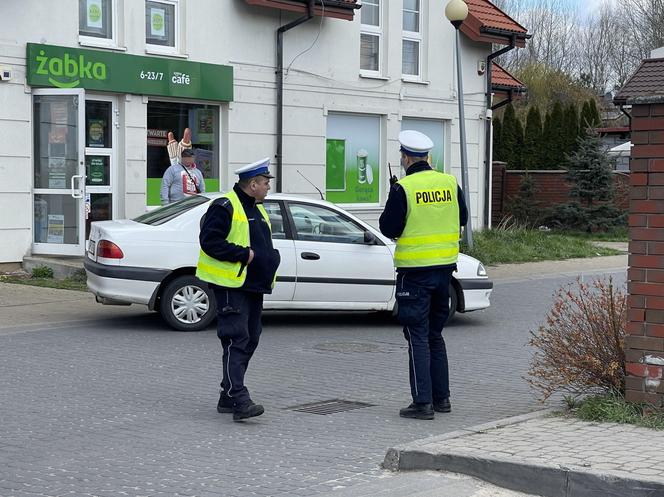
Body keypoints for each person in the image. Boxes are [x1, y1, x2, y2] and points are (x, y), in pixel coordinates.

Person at [379, 130, 468, 420]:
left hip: (414, 275)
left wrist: (395, 199)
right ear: (427, 157)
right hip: (445, 272)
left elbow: (389, 228)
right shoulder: (449, 183)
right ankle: (442, 400)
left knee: (417, 337)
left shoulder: (403, 188)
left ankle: (422, 403)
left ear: (405, 158)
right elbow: (463, 218)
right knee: (435, 336)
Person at [196, 158, 281, 421]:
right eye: (265, 182)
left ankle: (227, 395)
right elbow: (209, 242)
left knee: (251, 338)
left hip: (254, 285)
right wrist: (245, 255)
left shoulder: (257, 207)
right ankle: (239, 398)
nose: (268, 187)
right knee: (236, 339)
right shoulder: (224, 206)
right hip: (231, 285)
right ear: (252, 184)